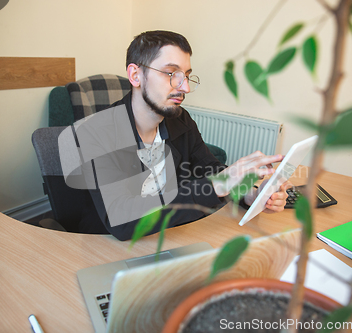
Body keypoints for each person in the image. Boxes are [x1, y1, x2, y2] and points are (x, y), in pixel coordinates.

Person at [76, 30, 290, 241]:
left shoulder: (180, 119)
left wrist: (251, 195)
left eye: (186, 76)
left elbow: (212, 169)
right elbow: (122, 221)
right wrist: (217, 185)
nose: (185, 87)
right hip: (107, 247)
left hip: (171, 236)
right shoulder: (96, 133)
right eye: (171, 74)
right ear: (135, 75)